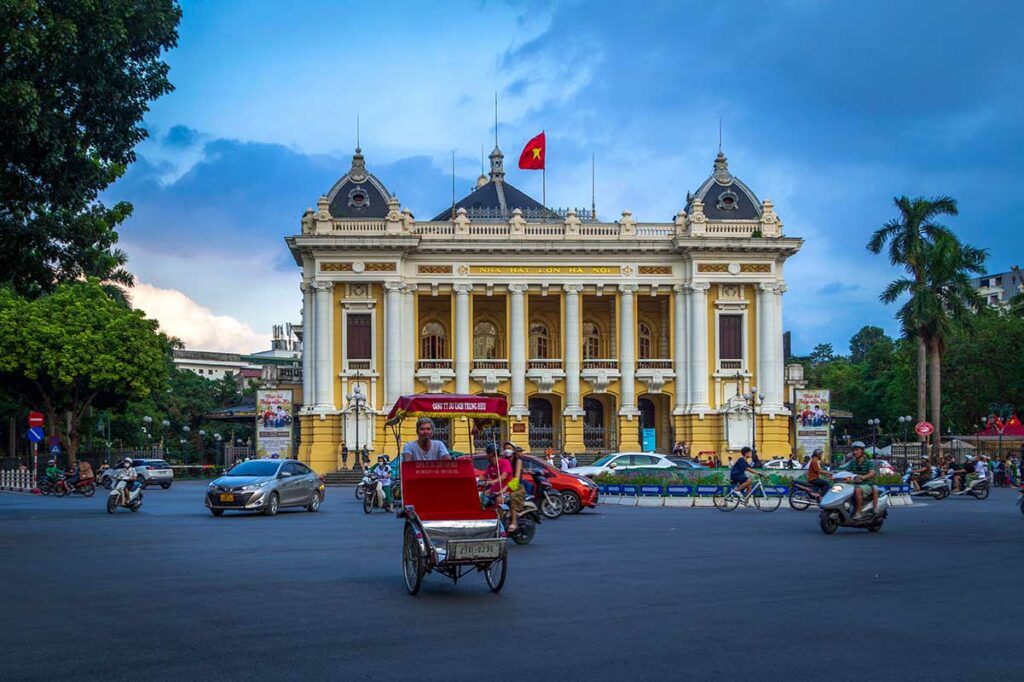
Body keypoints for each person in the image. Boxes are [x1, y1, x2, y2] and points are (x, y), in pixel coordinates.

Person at [480, 444, 517, 530]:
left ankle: (499, 523)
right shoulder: (491, 466)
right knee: (481, 497)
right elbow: (484, 476)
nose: (486, 456)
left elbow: (504, 476)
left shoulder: (505, 462)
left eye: (487, 454)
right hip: (494, 490)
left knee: (499, 500)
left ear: (491, 454)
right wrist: (475, 480)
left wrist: (492, 481)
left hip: (507, 489)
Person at [846, 442, 878, 517]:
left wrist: (863, 477)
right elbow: (846, 471)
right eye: (853, 450)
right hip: (854, 483)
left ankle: (859, 512)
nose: (854, 452)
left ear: (862, 451)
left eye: (857, 450)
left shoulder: (869, 463)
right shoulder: (852, 463)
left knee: (858, 490)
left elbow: (872, 473)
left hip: (867, 484)